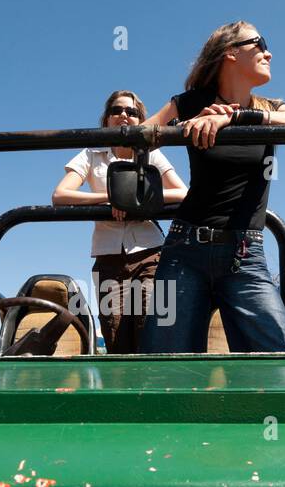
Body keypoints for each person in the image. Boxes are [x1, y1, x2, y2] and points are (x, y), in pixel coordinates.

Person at [139, 21, 285, 353]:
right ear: (230, 52)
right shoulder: (190, 103)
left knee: (283, 361)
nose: (269, 51)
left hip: (245, 254)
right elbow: (128, 146)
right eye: (259, 43)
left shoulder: (270, 108)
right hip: (182, 251)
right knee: (163, 364)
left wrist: (238, 118)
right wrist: (181, 126)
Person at [52, 90, 188, 354]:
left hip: (151, 254)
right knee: (115, 334)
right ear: (106, 119)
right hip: (108, 257)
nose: (124, 115)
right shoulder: (91, 154)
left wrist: (137, 201)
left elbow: (183, 193)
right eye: (117, 110)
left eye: (132, 111)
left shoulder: (152, 154)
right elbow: (60, 195)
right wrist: (111, 198)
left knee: (152, 326)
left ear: (141, 120)